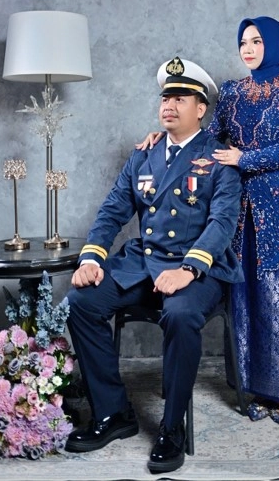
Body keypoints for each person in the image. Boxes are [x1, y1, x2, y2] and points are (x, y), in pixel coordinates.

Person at [65, 57, 243, 474]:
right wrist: (92, 257)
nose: (169, 105)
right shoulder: (143, 155)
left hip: (198, 268)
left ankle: (172, 427)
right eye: (165, 97)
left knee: (180, 315)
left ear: (201, 109)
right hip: (144, 263)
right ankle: (113, 413)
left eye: (180, 98)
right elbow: (113, 210)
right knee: (80, 302)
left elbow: (222, 223)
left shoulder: (220, 158)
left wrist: (188, 269)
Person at [137, 17, 279, 425]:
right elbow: (209, 135)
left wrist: (244, 158)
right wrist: (163, 137)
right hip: (235, 208)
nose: (248, 49)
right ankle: (248, 388)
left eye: (256, 41)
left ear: (276, 44)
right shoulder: (233, 92)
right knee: (242, 296)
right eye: (243, 42)